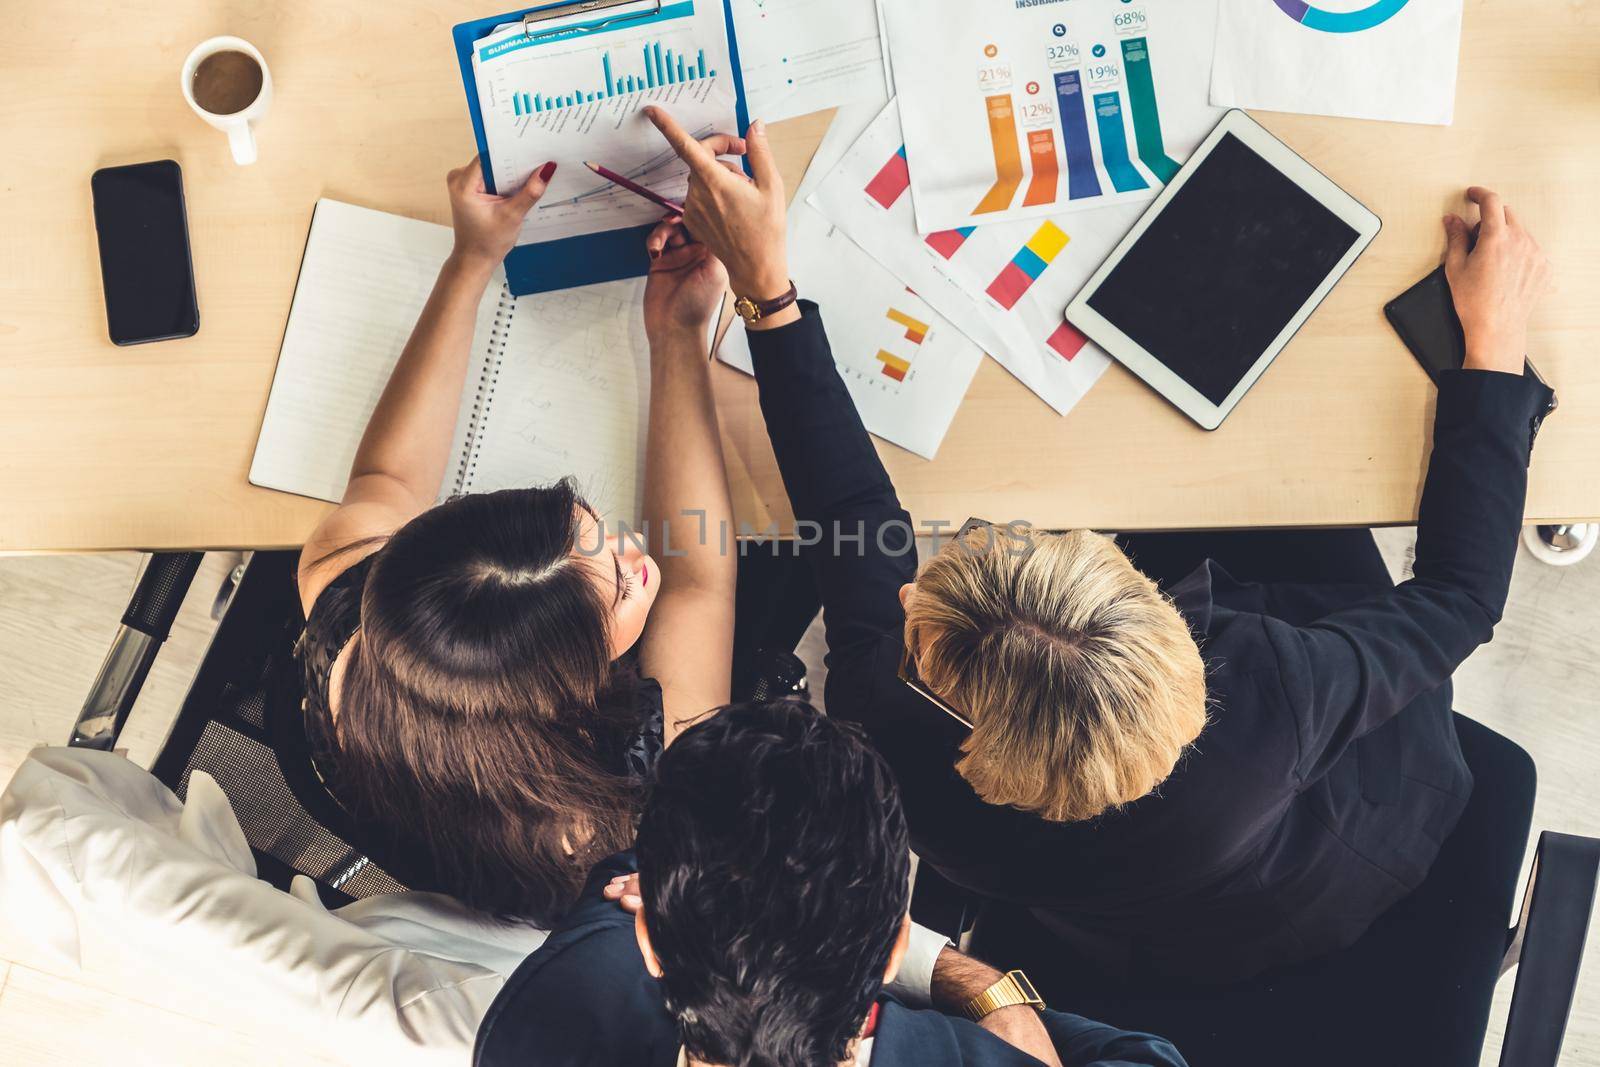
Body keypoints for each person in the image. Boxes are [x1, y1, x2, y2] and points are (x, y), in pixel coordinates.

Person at [639, 107, 1557, 987]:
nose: (906, 596)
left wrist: (770, 294)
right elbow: (1459, 601)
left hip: (1155, 914)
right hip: (1334, 848)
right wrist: (1496, 341)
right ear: (1163, 619)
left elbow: (851, 516)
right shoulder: (1273, 690)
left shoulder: (897, 746)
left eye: (921, 615)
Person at [270, 154, 740, 924]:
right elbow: (698, 582)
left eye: (602, 533)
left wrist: (473, 258)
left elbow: (388, 476)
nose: (640, 554)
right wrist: (679, 331)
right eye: (622, 583)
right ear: (573, 688)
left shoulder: (345, 584)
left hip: (359, 784)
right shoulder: (626, 806)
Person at [473, 700, 1189, 1067]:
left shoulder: (550, 1007)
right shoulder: (981, 1056)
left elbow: (620, 878)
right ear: (894, 948)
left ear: (649, 941)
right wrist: (984, 991)